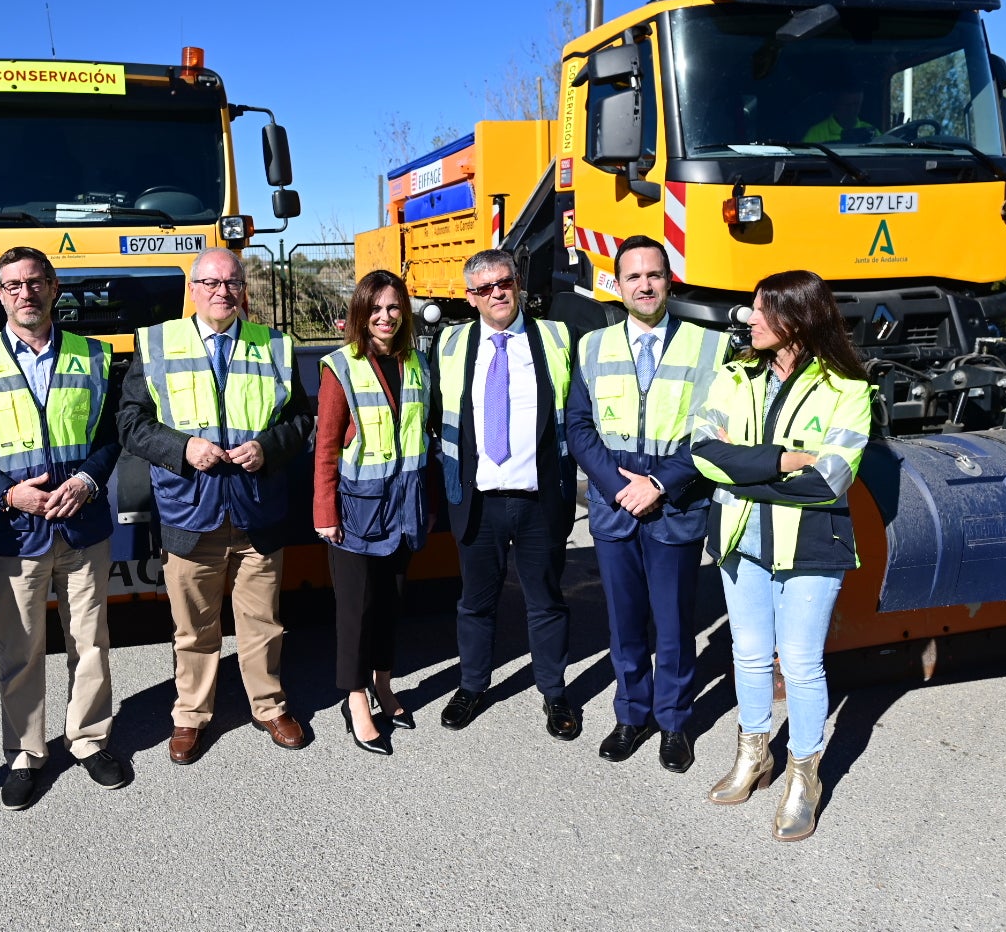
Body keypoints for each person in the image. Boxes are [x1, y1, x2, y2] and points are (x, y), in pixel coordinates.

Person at [691, 269, 872, 842]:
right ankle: (753, 755)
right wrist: (784, 461)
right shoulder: (734, 375)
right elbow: (703, 453)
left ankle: (803, 779)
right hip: (740, 540)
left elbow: (828, 484)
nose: (751, 319)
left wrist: (744, 471)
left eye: (764, 310)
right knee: (747, 655)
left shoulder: (849, 388)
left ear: (799, 317)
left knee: (798, 664)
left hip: (812, 546)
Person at [117, 247, 314, 764]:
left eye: (231, 282)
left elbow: (300, 421)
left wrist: (266, 447)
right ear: (192, 287)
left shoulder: (274, 345)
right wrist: (183, 448)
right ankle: (190, 715)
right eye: (210, 282)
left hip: (256, 510)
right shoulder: (158, 343)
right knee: (194, 628)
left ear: (243, 288)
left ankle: (269, 707)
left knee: (263, 621)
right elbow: (131, 423)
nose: (222, 292)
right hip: (190, 511)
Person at [0, 246, 127, 810]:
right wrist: (7, 493)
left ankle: (89, 739)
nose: (25, 293)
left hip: (82, 524)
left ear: (53, 287)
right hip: (15, 532)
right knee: (20, 649)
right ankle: (26, 754)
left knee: (89, 641)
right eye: (12, 285)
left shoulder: (93, 357)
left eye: (34, 282)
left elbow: (110, 437)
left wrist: (88, 482)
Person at [564, 236, 730, 773]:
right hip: (616, 506)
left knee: (676, 624)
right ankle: (632, 715)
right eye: (633, 276)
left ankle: (675, 722)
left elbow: (714, 432)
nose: (644, 285)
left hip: (675, 504)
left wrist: (658, 483)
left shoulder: (709, 346)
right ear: (619, 283)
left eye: (653, 275)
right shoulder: (591, 346)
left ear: (669, 280)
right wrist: (617, 485)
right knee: (625, 622)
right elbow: (579, 426)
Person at [432, 249, 579, 739]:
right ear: (470, 298)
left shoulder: (557, 338)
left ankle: (554, 693)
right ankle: (472, 686)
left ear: (518, 284)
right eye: (482, 288)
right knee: (475, 603)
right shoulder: (449, 344)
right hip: (478, 501)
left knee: (546, 601)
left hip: (540, 500)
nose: (495, 293)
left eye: (503, 283)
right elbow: (434, 415)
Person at [313, 269, 430, 756]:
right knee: (356, 611)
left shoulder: (417, 363)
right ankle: (356, 698)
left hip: (404, 507)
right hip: (356, 512)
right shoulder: (341, 366)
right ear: (361, 313)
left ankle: (384, 683)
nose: (385, 317)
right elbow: (325, 449)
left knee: (390, 605)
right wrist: (325, 512)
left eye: (394, 307)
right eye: (376, 308)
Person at [802, 85, 877, 143]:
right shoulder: (815, 134)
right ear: (836, 104)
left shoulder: (872, 132)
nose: (852, 109)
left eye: (856, 104)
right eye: (847, 105)